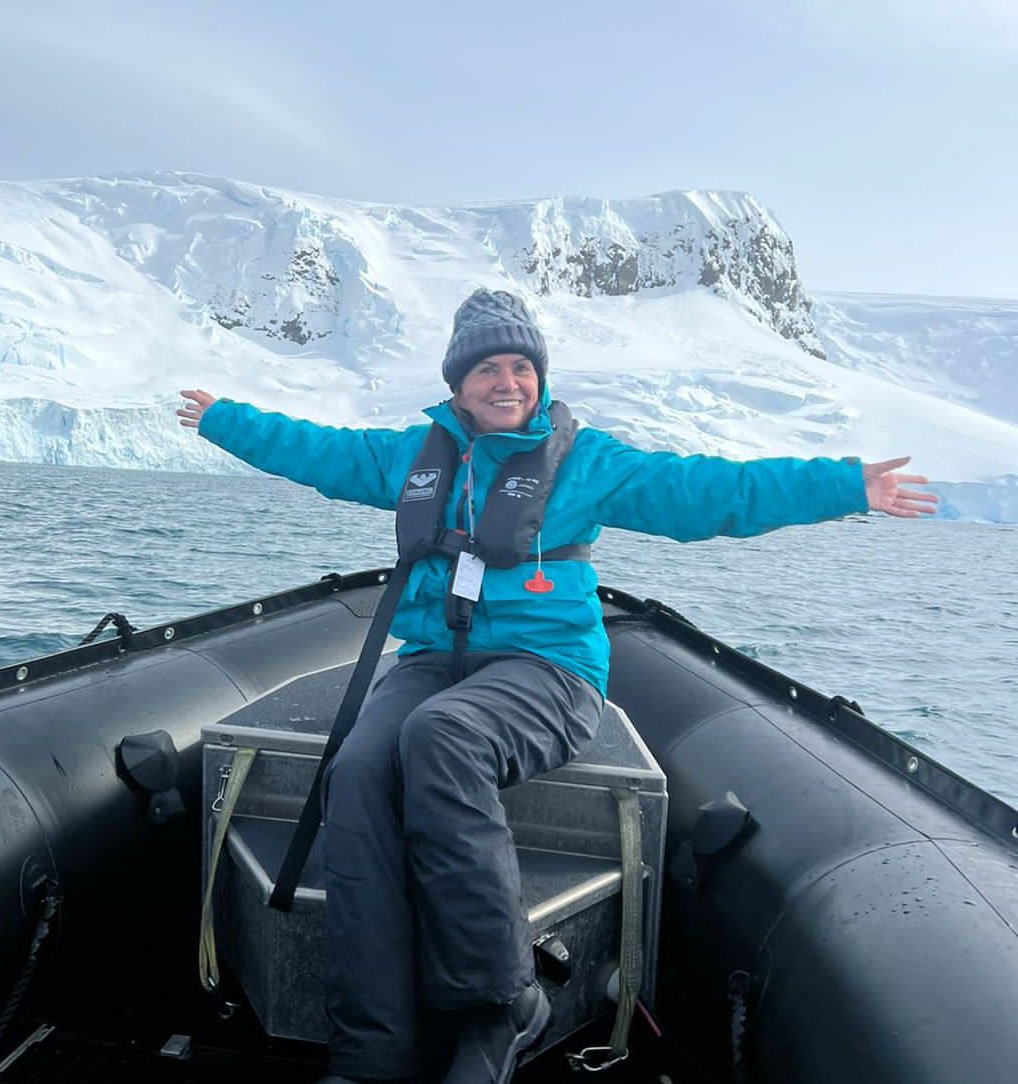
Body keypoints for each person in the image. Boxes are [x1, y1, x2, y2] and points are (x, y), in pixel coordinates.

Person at [177, 288, 937, 1084]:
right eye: (487, 369)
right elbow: (318, 451)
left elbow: (710, 491)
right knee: (361, 768)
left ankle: (502, 1001)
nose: (507, 382)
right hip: (436, 659)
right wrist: (226, 418)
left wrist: (846, 485)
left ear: (538, 377)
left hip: (549, 673)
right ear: (457, 383)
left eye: (520, 367)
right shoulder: (417, 454)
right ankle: (372, 1046)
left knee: (443, 736)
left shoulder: (585, 462)